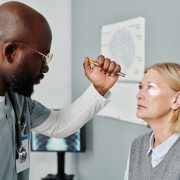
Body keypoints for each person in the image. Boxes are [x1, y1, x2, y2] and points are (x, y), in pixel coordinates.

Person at [0, 1, 122, 180]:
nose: (45, 68)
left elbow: (58, 125)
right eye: (42, 57)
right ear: (11, 52)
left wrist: (99, 88)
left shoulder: (18, 100)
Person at [124, 62, 180, 180]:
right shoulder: (137, 145)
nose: (139, 95)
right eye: (140, 87)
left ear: (176, 100)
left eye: (151, 87)